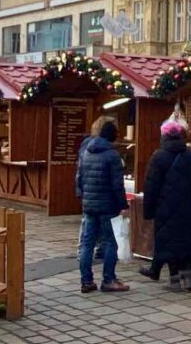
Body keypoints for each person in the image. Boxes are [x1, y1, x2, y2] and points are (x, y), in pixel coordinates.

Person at [140, 119, 191, 291]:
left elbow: (151, 186)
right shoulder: (190, 154)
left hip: (165, 209)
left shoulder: (158, 156)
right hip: (186, 207)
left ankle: (174, 280)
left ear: (163, 136)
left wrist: (148, 210)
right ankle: (189, 278)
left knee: (168, 242)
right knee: (185, 240)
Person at [76, 116, 129, 293]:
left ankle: (86, 281)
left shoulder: (87, 151)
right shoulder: (112, 155)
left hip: (89, 205)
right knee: (110, 242)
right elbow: (117, 184)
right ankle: (109, 279)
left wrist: (83, 197)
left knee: (87, 243)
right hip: (108, 206)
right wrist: (123, 205)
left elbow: (79, 178)